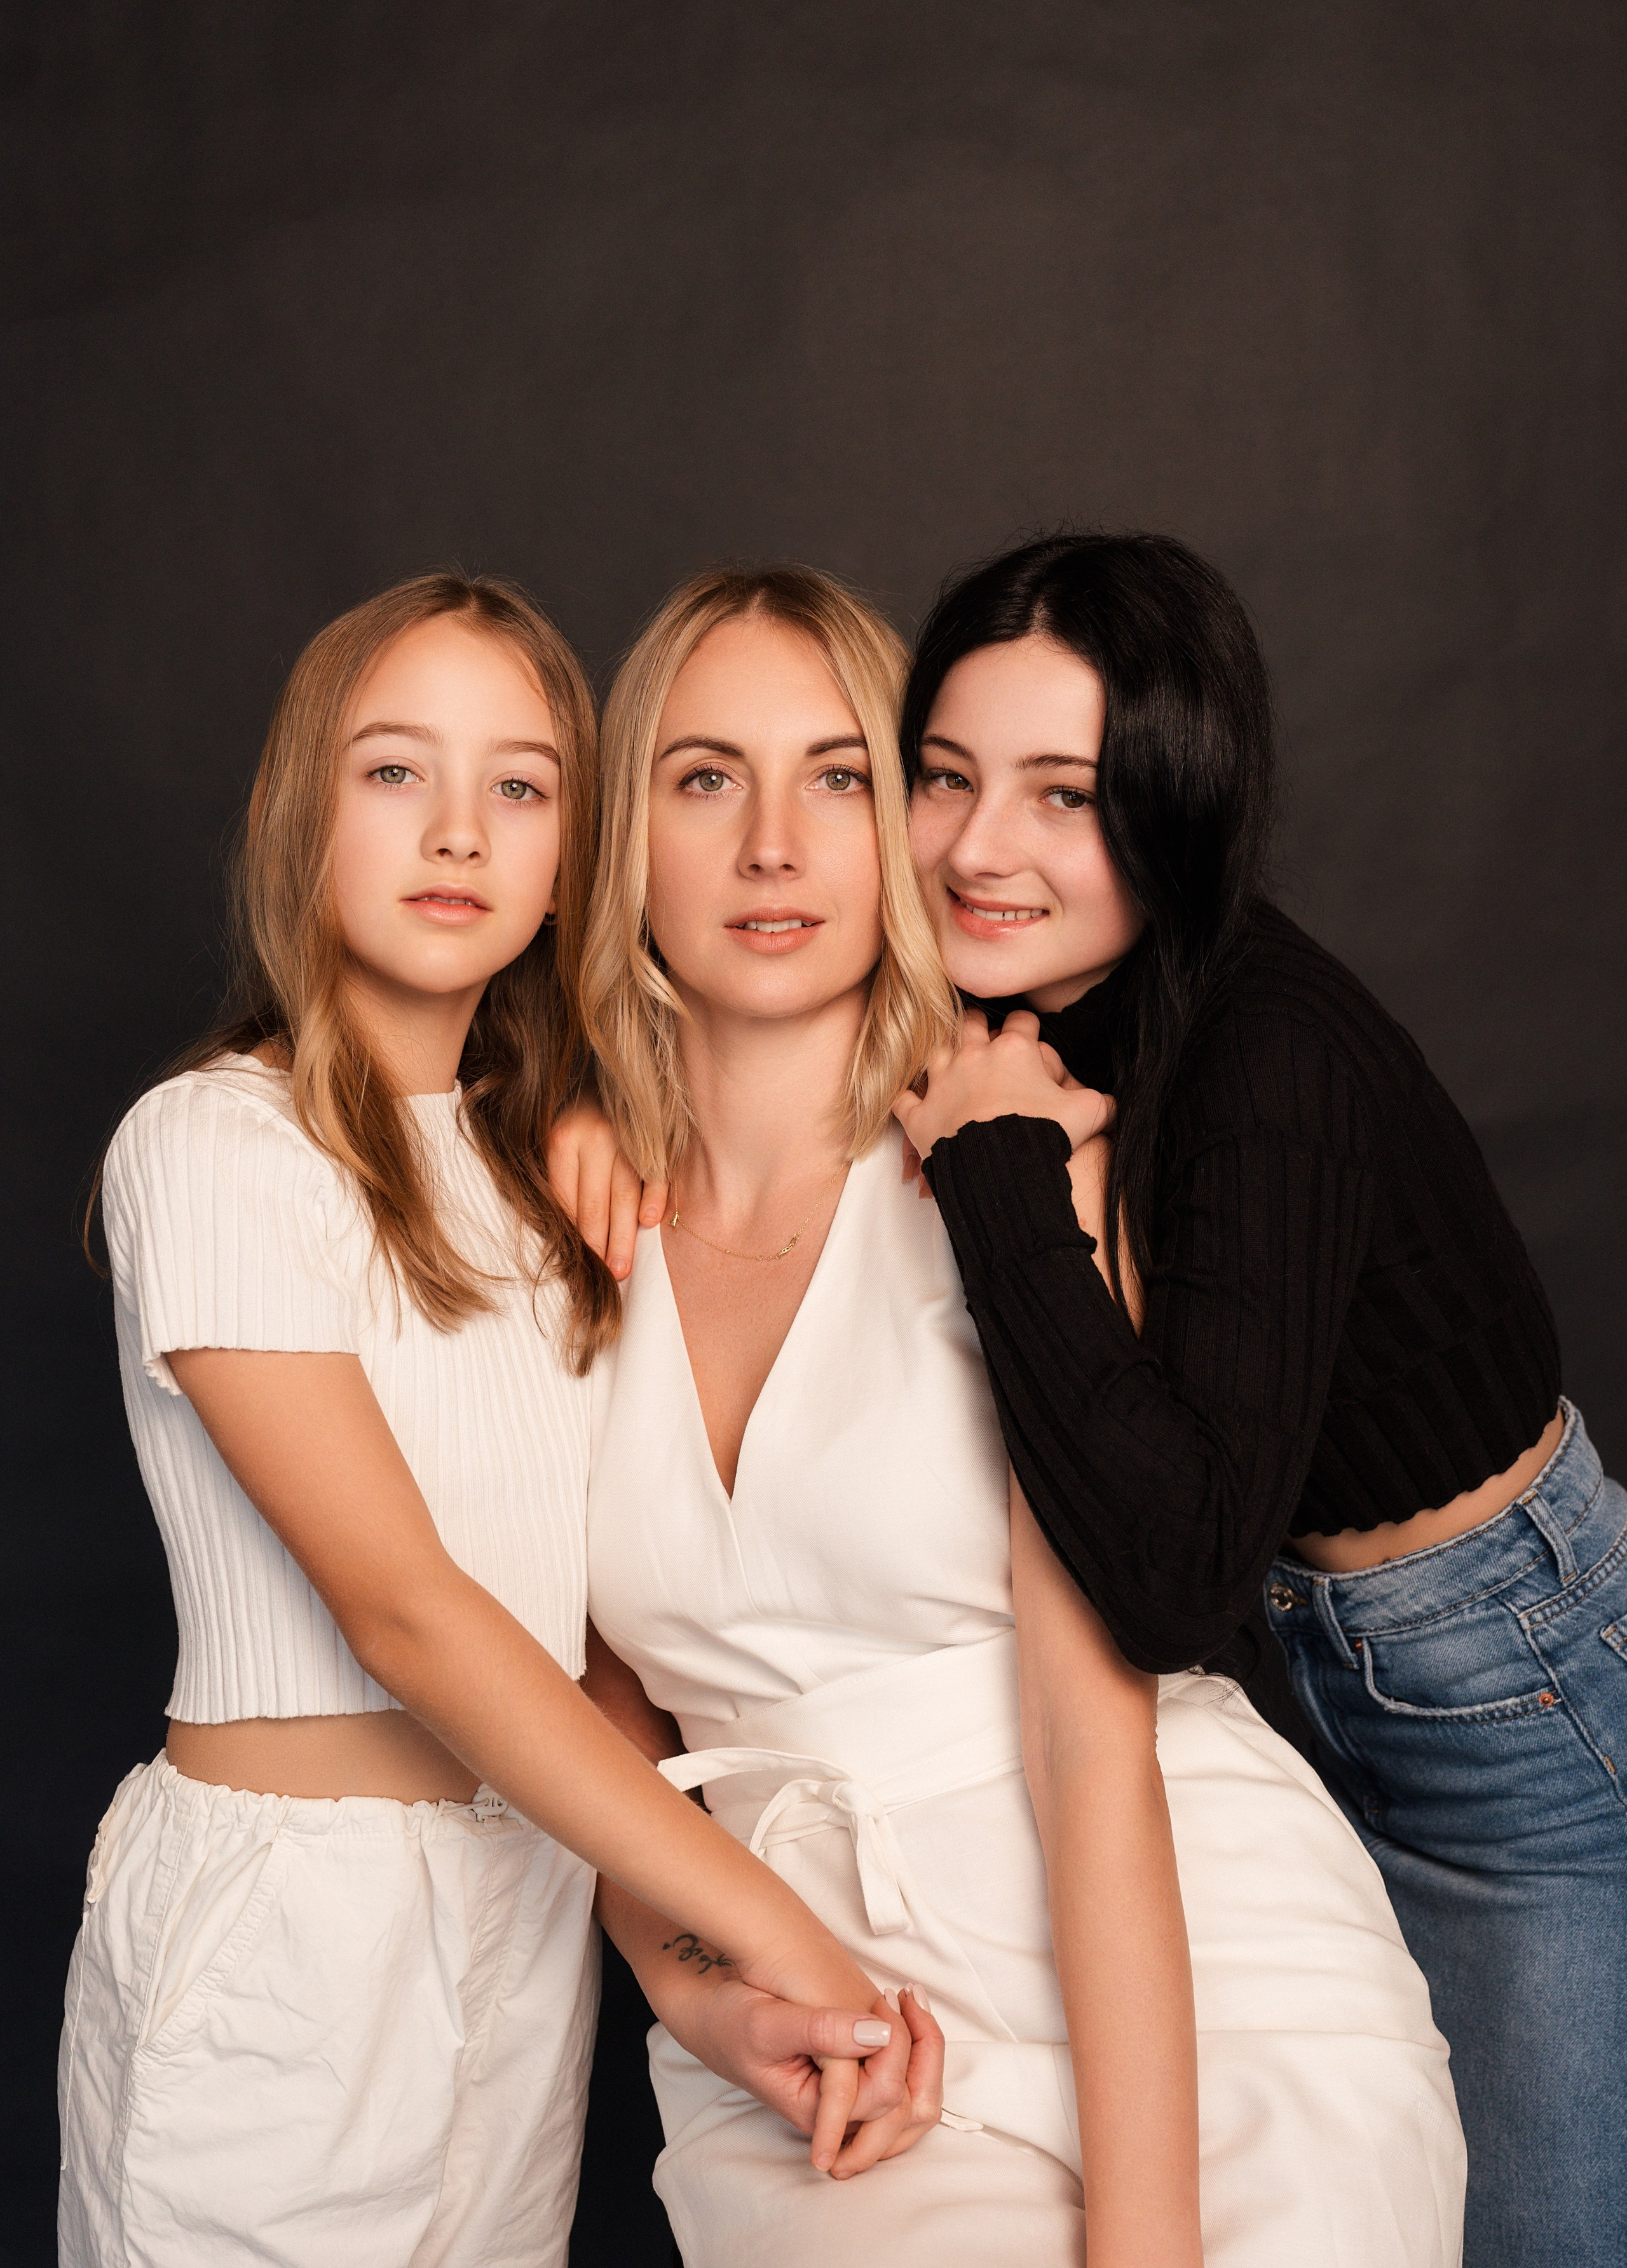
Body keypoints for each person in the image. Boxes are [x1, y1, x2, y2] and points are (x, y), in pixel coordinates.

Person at [576, 561, 1466, 2266]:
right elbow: (599, 1723)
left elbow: (1091, 1737)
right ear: (632, 836)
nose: (775, 843)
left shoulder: (1029, 1157)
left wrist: (1150, 2242)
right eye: (706, 777)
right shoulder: (547, 1220)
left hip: (1198, 1985)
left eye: (839, 775)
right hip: (831, 2023)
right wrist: (699, 1995)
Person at [60, 573, 936, 2268]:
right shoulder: (212, 1144)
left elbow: (588, 1645)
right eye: (395, 772)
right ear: (303, 809)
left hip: (523, 1920)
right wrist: (777, 1927)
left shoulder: (556, 1181)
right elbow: (411, 1611)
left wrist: (696, 1982)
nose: (458, 829)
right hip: (285, 1936)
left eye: (520, 786)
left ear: (565, 866)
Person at [894, 530, 1626, 2268]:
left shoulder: (1261, 1053)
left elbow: (1172, 1574)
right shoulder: (1043, 997)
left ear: (1176, 800)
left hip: (1518, 1692)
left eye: (1064, 795)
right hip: (1341, 1688)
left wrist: (1000, 1169)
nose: (980, 847)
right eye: (942, 775)